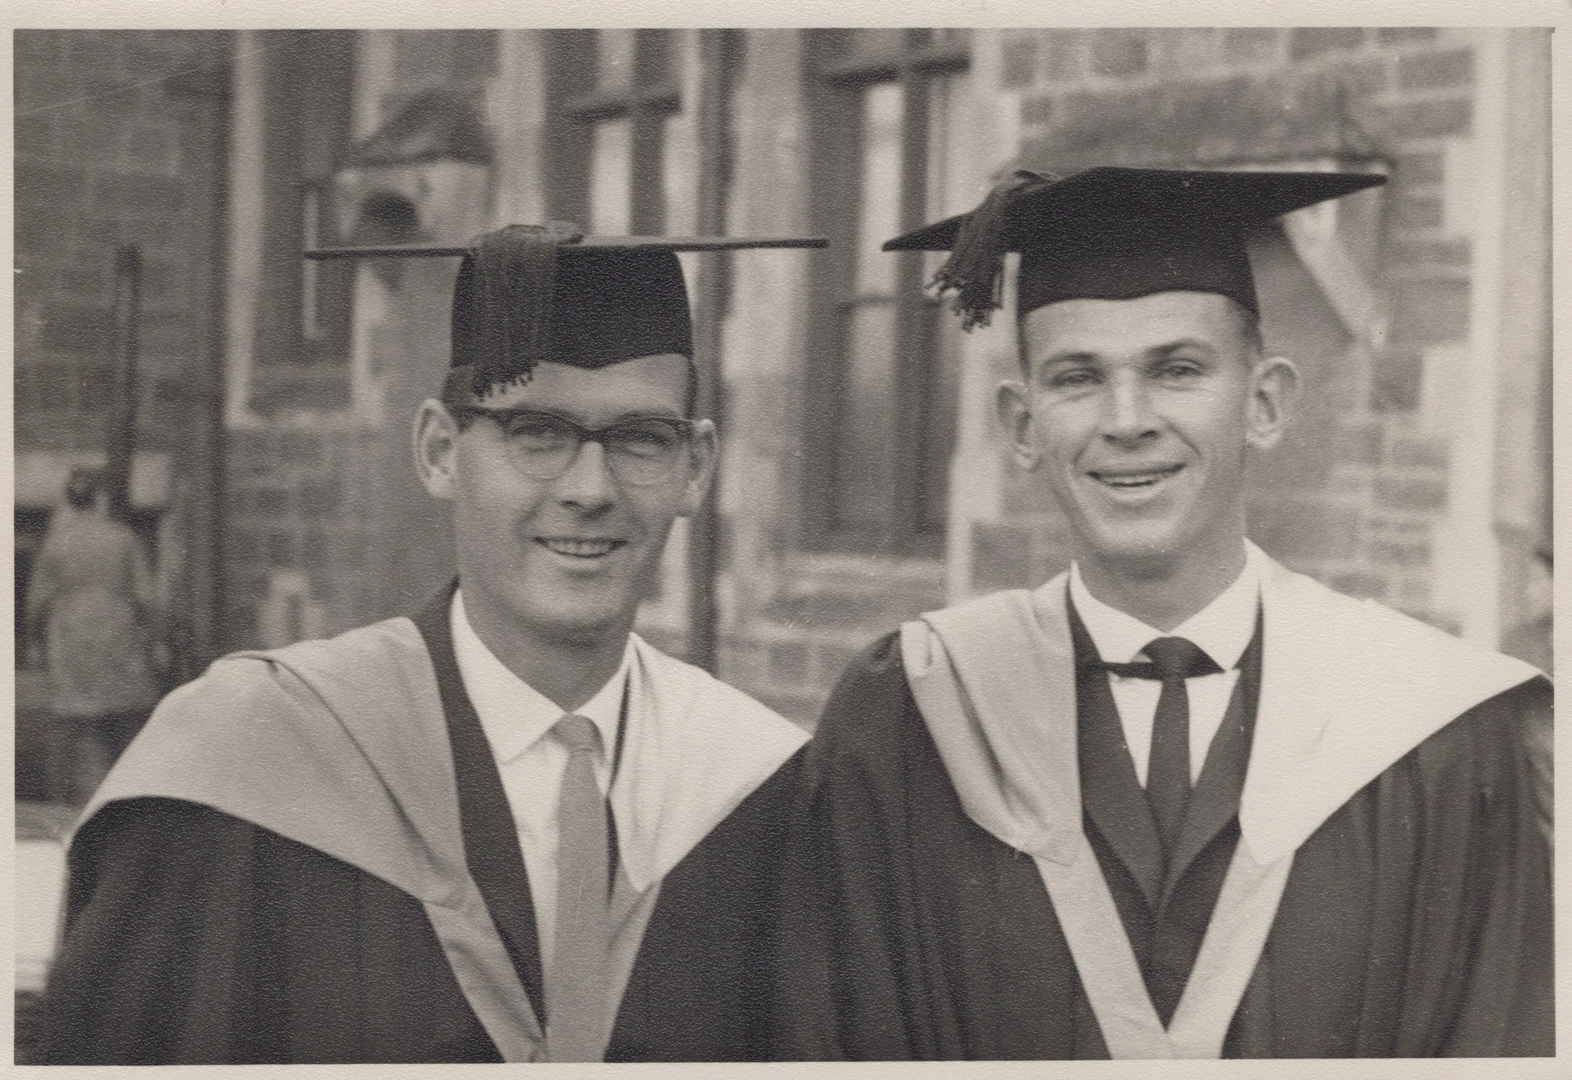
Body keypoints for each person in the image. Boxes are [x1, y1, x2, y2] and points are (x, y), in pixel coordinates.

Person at [776, 167, 1553, 1059]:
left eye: (1177, 369)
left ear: (1264, 404)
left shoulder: (1435, 732)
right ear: (1022, 425)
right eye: (1078, 378)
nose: (1128, 419)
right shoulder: (910, 717)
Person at [45, 225, 814, 1063]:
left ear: (695, 468)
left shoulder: (762, 789)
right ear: (440, 450)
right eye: (536, 432)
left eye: (641, 440)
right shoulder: (252, 756)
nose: (591, 490)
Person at [24, 466, 162, 802]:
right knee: (125, 718)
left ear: (70, 501)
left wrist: (33, 642)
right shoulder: (123, 538)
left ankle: (67, 800)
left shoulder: (57, 542)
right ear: (100, 500)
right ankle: (127, 799)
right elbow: (147, 595)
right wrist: (156, 639)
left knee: (72, 721)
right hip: (117, 631)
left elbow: (36, 600)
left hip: (71, 634)